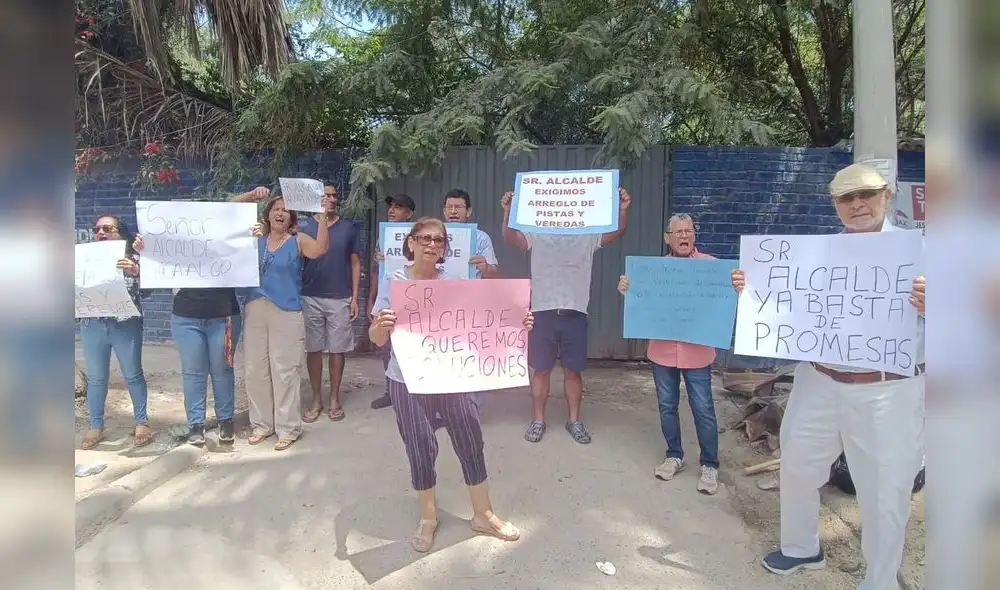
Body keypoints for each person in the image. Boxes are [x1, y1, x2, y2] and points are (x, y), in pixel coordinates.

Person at [731, 163, 926, 588]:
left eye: (867, 195)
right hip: (818, 377)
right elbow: (787, 303)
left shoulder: (921, 252)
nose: (857, 205)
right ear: (835, 205)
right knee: (798, 462)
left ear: (886, 197)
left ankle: (880, 580)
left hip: (885, 386)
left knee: (884, 486)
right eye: (846, 198)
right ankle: (801, 548)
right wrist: (755, 286)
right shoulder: (818, 254)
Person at [370, 217, 529, 553]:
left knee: (469, 437)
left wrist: (518, 321)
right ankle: (428, 518)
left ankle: (483, 513)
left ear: (445, 248)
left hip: (452, 375)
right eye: (425, 238)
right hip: (407, 380)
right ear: (410, 243)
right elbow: (375, 338)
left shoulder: (456, 283)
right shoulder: (393, 284)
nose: (431, 244)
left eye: (438, 240)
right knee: (420, 445)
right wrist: (381, 325)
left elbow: (485, 326)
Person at [129, 187, 266, 446]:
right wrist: (144, 250)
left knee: (222, 370)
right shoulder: (172, 241)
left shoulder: (229, 237)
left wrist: (252, 236)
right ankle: (196, 425)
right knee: (193, 373)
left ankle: (226, 422)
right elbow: (152, 267)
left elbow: (233, 212)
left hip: (224, 316)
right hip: (185, 317)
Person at [501, 187, 630, 444]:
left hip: (575, 311)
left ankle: (574, 421)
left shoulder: (586, 233)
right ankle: (538, 420)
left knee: (574, 371)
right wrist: (506, 213)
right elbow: (510, 239)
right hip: (542, 311)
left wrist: (623, 211)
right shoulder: (536, 231)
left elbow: (615, 233)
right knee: (541, 370)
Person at [616, 213, 721, 494]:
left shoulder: (712, 268)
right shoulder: (653, 271)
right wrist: (628, 289)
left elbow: (727, 299)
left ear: (694, 236)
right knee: (666, 405)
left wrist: (736, 284)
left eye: (689, 231)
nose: (684, 236)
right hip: (663, 351)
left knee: (704, 409)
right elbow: (641, 302)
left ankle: (710, 465)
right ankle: (674, 455)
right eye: (678, 232)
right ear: (668, 238)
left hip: (697, 352)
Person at [241, 190, 330, 451]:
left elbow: (320, 250)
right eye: (275, 209)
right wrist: (250, 196)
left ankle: (287, 428)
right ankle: (262, 424)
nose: (280, 213)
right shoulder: (254, 239)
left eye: (285, 210)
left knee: (285, 371)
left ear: (290, 217)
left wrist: (322, 218)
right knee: (255, 369)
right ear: (267, 214)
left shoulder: (298, 240)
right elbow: (228, 210)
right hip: (256, 307)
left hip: (287, 311)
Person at [79, 215, 151, 449]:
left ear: (120, 233)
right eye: (97, 229)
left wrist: (136, 272)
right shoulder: (82, 258)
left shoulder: (133, 258)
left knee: (133, 374)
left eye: (108, 228)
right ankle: (96, 425)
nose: (101, 232)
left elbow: (150, 291)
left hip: (125, 323)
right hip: (93, 324)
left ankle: (141, 422)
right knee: (97, 378)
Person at [297, 182, 362, 423]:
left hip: (340, 297)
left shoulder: (348, 228)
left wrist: (355, 297)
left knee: (337, 350)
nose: (332, 199)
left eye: (335, 195)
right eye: (326, 196)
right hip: (309, 295)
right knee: (313, 349)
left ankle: (334, 398)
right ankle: (316, 399)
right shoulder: (303, 226)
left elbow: (355, 263)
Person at [442, 187, 499, 411]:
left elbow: (495, 273)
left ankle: (471, 409)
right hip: (439, 307)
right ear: (443, 210)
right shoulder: (433, 235)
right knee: (442, 358)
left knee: (471, 358)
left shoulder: (481, 238)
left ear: (469, 211)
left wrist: (486, 268)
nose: (453, 211)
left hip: (471, 308)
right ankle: (442, 410)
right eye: (449, 207)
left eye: (458, 207)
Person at [368, 193, 415, 410]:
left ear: (409, 213)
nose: (392, 210)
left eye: (398, 207)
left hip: (411, 299)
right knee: (385, 347)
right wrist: (373, 300)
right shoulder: (384, 236)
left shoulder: (419, 235)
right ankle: (391, 391)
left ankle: (414, 391)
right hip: (386, 297)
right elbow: (378, 272)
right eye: (391, 207)